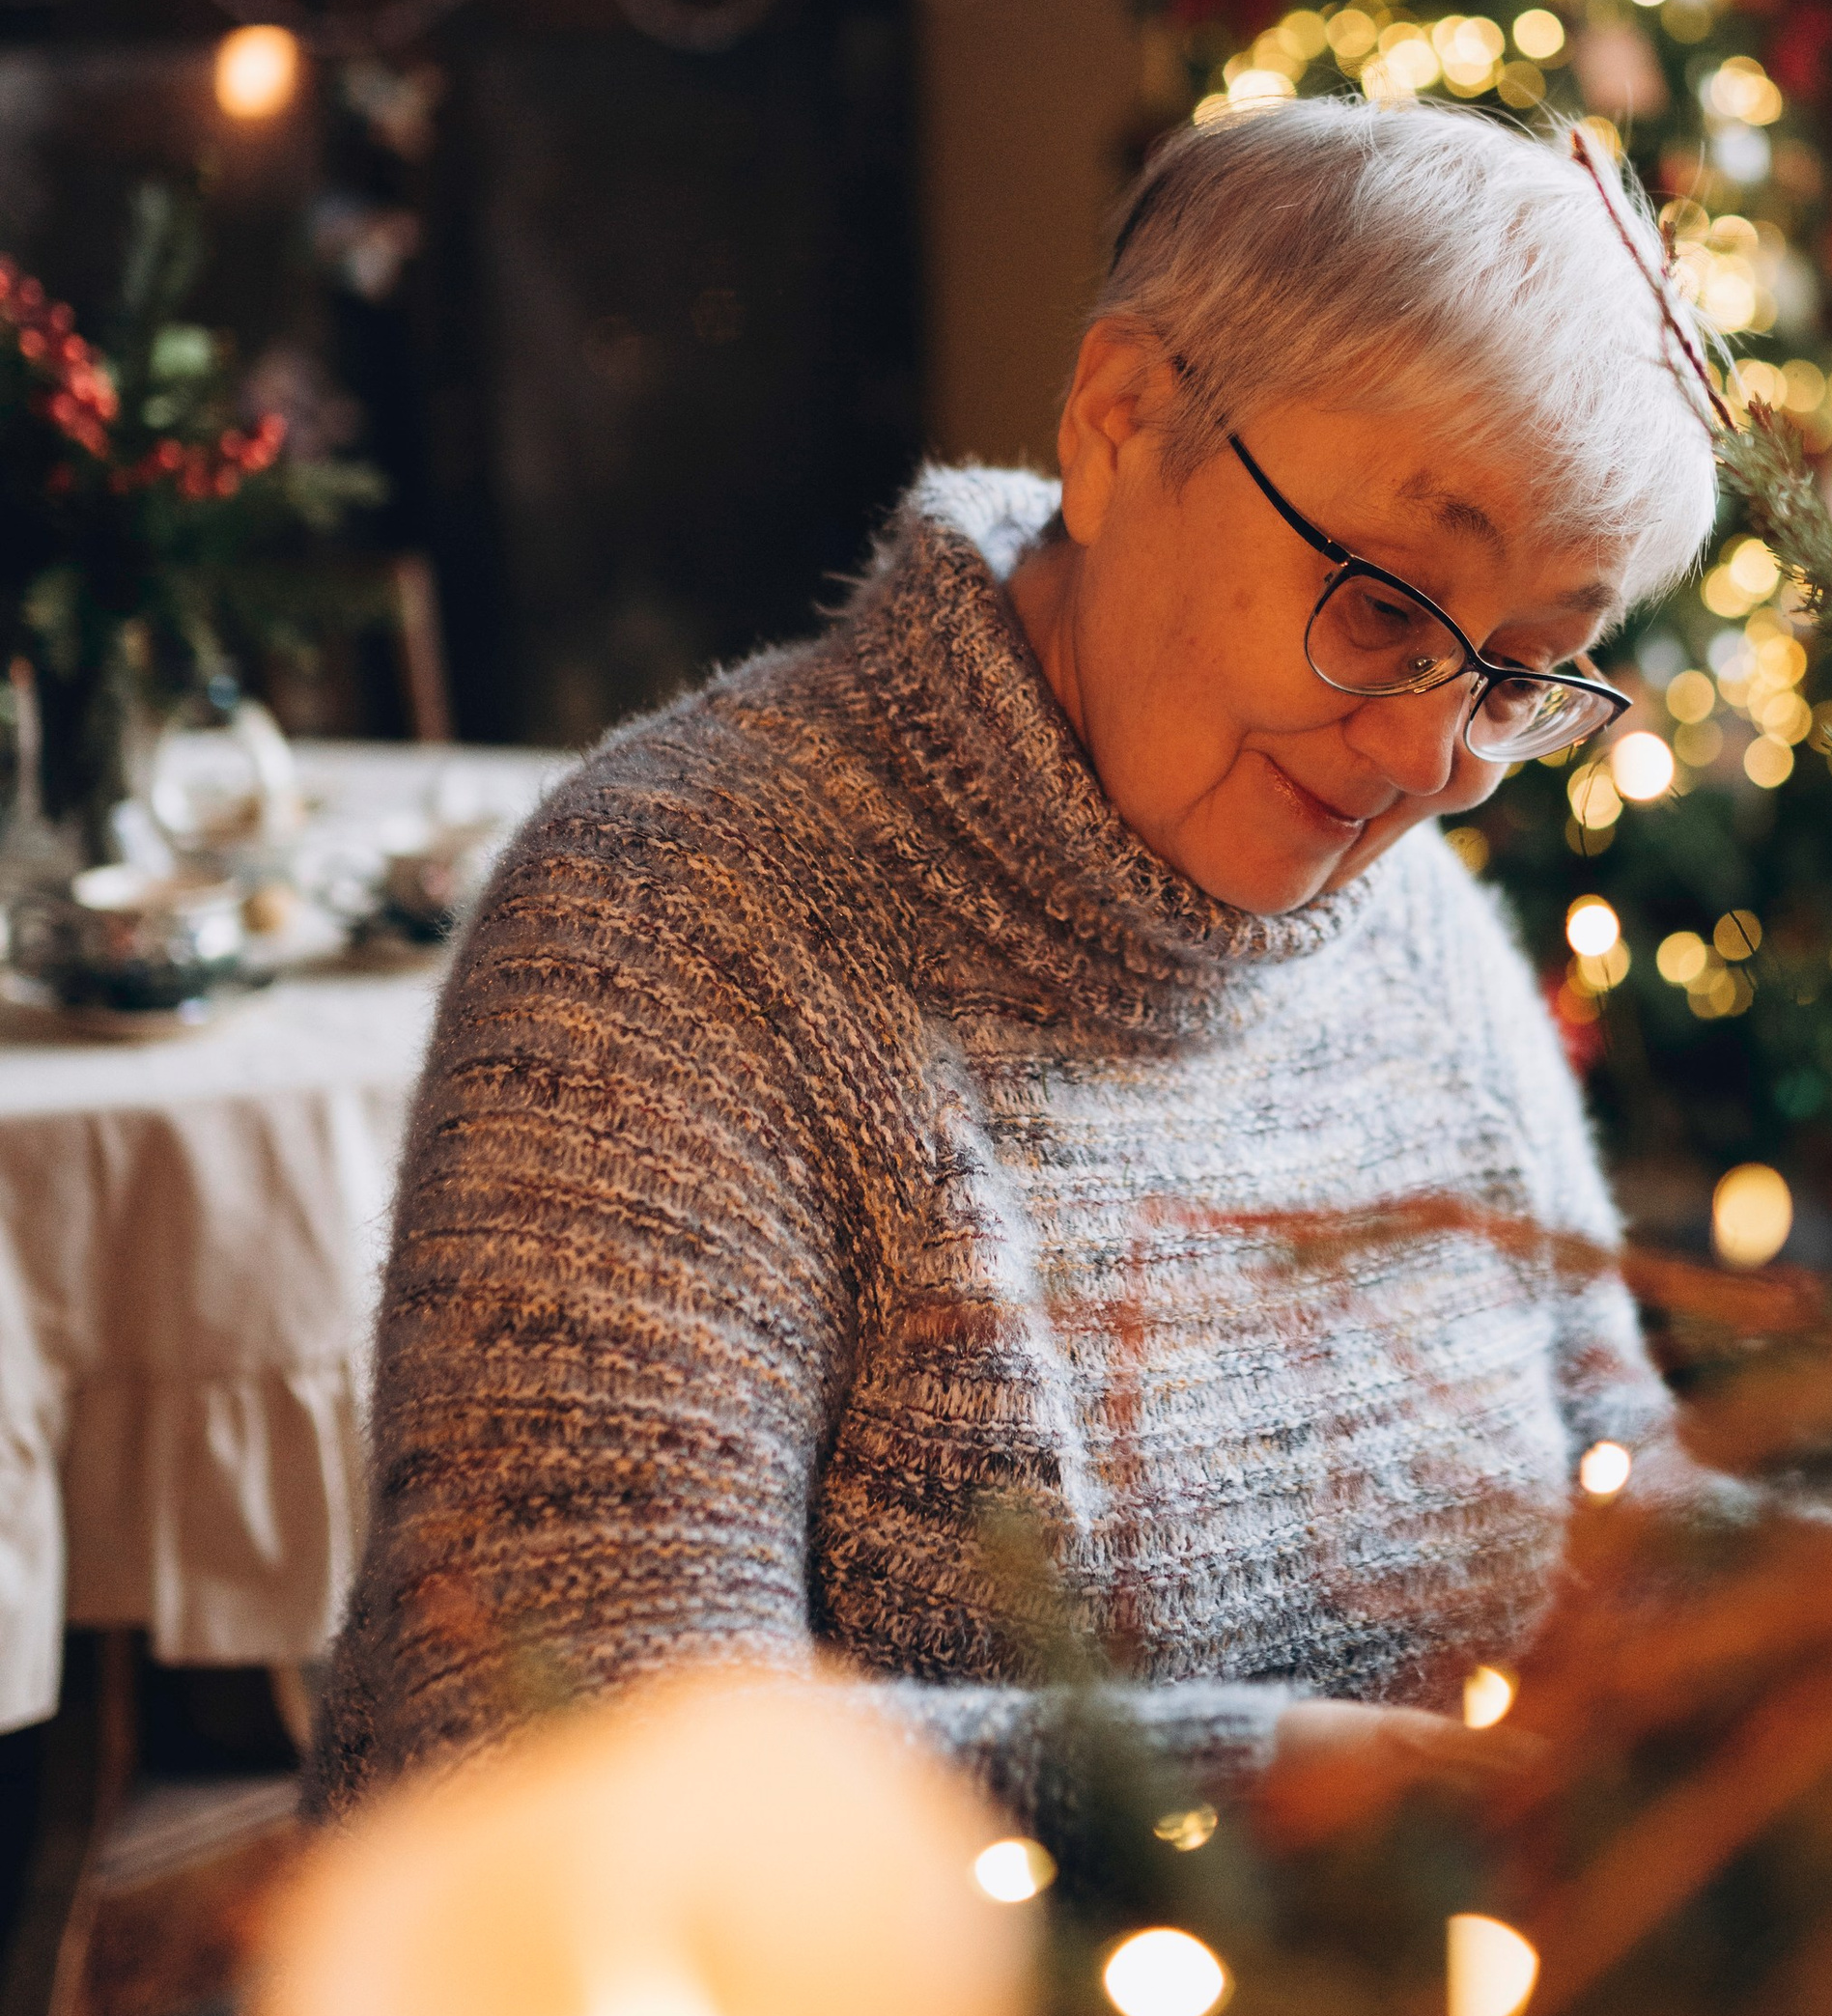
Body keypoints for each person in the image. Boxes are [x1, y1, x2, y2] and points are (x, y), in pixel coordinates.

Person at [303, 99, 1723, 1856]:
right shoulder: (676, 924)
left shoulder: (1417, 925)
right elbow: (571, 1746)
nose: (1431, 754)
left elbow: (1619, 1495)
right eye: (1378, 602)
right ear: (1122, 423)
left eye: (1519, 675)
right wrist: (1281, 1791)